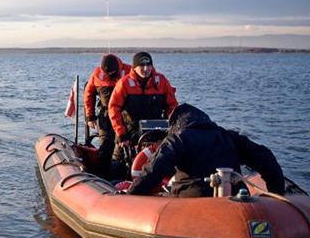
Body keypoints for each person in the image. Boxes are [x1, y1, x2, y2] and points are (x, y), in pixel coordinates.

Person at [128, 104, 285, 197]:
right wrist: (277, 194)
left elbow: (154, 168)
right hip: (235, 199)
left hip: (191, 200)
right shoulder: (228, 136)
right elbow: (266, 158)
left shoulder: (179, 138)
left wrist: (130, 195)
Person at [108, 51, 178, 149]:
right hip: (130, 133)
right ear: (134, 67)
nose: (146, 68)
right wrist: (121, 134)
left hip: (157, 131)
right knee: (117, 160)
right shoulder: (124, 83)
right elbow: (113, 108)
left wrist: (172, 127)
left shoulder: (162, 81)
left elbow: (172, 106)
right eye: (142, 65)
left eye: (149, 65)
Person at [84, 54, 131, 177]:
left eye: (113, 72)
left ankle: (122, 175)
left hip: (125, 116)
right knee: (106, 145)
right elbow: (89, 95)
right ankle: (103, 176)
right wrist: (90, 116)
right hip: (105, 115)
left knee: (122, 145)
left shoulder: (129, 71)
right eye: (107, 73)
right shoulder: (96, 74)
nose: (110, 75)